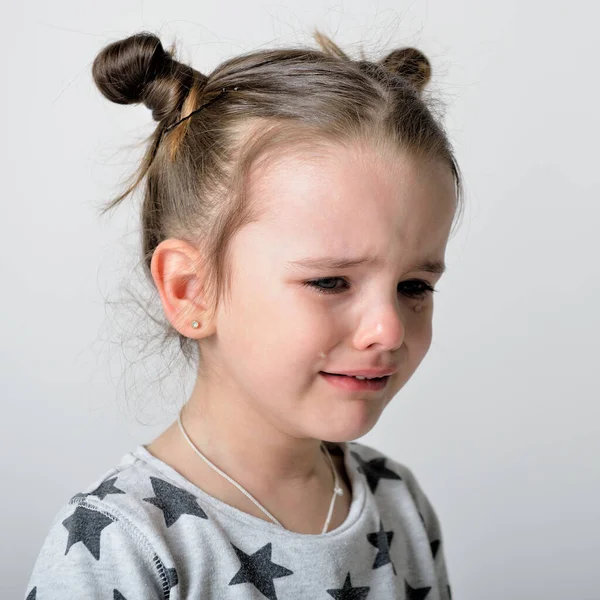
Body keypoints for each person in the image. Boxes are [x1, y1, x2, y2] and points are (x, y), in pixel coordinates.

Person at [24, 28, 463, 600]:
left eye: (414, 286)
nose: (389, 329)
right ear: (191, 291)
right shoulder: (124, 543)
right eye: (330, 281)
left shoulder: (396, 502)